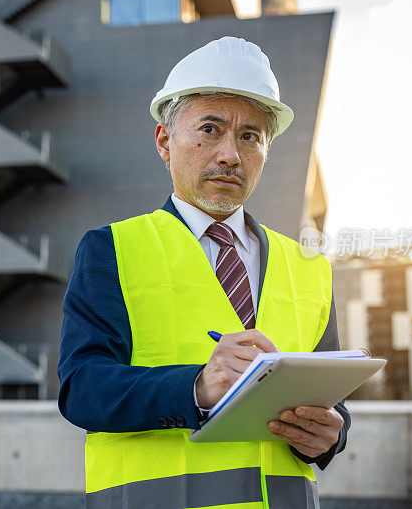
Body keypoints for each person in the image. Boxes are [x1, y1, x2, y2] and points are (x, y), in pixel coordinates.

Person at [58, 36, 350, 509]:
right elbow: (81, 390)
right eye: (211, 129)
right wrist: (196, 387)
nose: (231, 155)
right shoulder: (110, 250)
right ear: (164, 142)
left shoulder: (310, 267)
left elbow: (332, 402)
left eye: (251, 136)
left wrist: (331, 436)